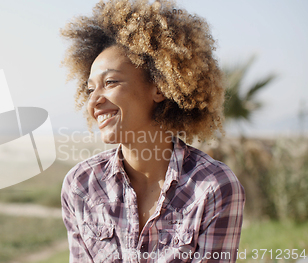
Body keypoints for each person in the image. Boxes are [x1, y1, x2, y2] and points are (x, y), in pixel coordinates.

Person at [59, 0, 245, 262]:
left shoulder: (213, 188)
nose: (94, 101)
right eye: (90, 89)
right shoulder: (81, 185)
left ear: (159, 88)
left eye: (110, 82)